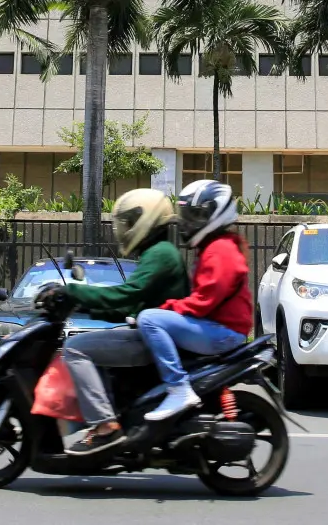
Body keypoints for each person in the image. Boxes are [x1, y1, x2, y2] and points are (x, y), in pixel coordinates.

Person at [58, 188, 188, 454]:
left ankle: (105, 426)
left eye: (128, 223)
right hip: (151, 336)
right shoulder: (156, 253)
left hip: (151, 342)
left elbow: (128, 295)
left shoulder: (161, 254)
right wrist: (84, 307)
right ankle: (108, 417)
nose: (124, 229)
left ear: (146, 220)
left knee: (75, 348)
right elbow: (130, 305)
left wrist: (72, 292)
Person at [137, 179, 253, 422]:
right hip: (219, 328)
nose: (187, 223)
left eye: (194, 215)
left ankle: (178, 389)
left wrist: (166, 308)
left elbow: (203, 302)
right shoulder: (216, 247)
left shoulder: (220, 250)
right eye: (186, 215)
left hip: (224, 332)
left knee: (149, 320)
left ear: (214, 214)